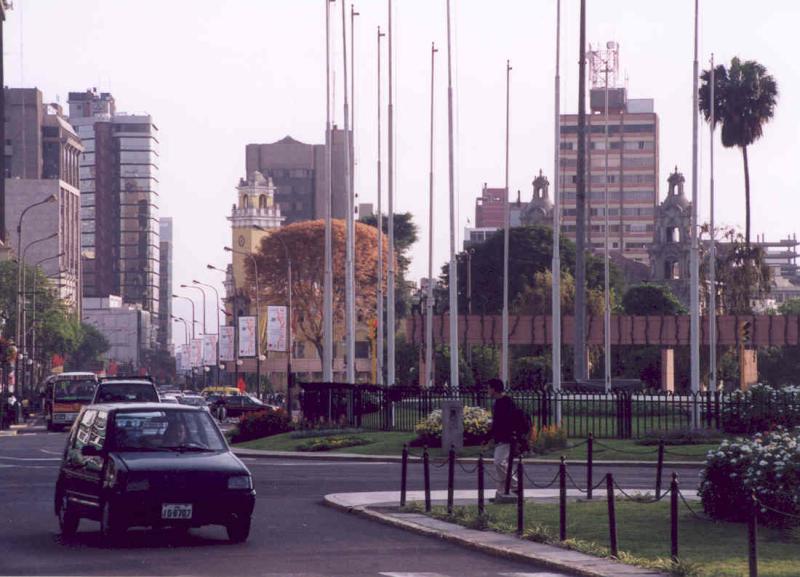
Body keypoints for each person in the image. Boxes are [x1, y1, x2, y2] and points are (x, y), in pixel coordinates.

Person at [487, 378, 517, 499]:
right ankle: (502, 491)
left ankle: (515, 485)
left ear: (494, 389)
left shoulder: (507, 402)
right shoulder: (497, 403)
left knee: (499, 463)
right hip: (500, 437)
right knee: (500, 464)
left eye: (489, 388)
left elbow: (509, 421)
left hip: (507, 437)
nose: (488, 391)